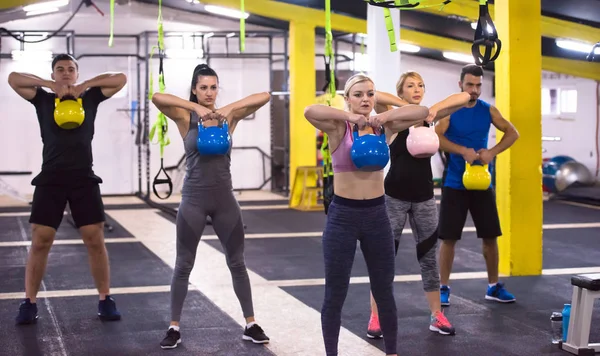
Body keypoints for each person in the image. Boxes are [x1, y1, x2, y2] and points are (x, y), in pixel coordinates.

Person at [304, 73, 432, 356]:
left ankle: (392, 352)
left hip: (377, 216)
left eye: (370, 94)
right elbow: (309, 111)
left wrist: (383, 117)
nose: (365, 99)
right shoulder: (339, 129)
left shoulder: (384, 130)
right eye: (359, 94)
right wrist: (350, 117)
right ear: (348, 98)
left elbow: (422, 112)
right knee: (335, 293)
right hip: (343, 217)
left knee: (384, 291)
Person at [151, 64, 271, 349]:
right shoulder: (185, 117)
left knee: (237, 263)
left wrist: (225, 109)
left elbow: (264, 95)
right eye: (203, 87)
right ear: (194, 89)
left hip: (224, 200)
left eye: (213, 87)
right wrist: (197, 108)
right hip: (193, 199)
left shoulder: (229, 119)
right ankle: (174, 327)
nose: (208, 93)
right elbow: (157, 97)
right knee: (183, 265)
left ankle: (250, 323)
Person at [8, 53, 127, 324]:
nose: (65, 73)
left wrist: (85, 84)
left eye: (70, 69)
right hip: (51, 177)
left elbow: (120, 78)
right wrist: (48, 86)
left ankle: (105, 299)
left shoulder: (90, 97)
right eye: (60, 69)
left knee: (94, 238)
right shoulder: (43, 98)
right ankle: (29, 302)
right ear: (53, 74)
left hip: (83, 177)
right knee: (40, 240)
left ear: (76, 73)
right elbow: (13, 79)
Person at [365, 71, 470, 339]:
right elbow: (374, 95)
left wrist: (432, 108)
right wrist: (406, 107)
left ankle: (437, 315)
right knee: (384, 258)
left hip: (424, 197)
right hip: (394, 197)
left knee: (428, 259)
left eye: (421, 85)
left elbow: (465, 96)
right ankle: (376, 316)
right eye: (410, 86)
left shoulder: (429, 119)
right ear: (401, 92)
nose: (417, 89)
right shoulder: (392, 120)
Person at [435, 64, 520, 306]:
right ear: (460, 84)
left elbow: (513, 133)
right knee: (449, 238)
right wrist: (462, 150)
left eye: (478, 85)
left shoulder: (488, 110)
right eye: (470, 84)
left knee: (491, 236)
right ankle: (443, 287)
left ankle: (493, 287)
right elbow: (437, 137)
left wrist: (492, 152)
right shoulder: (449, 111)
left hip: (482, 183)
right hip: (454, 183)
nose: (474, 89)